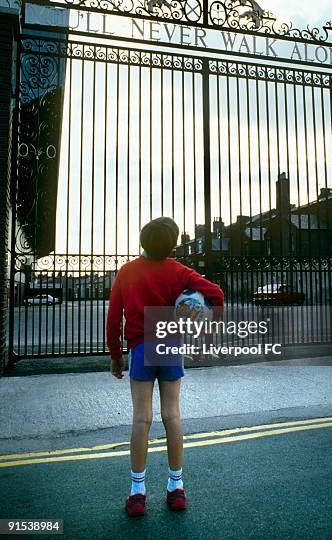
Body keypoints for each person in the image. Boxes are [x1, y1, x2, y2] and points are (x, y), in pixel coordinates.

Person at [106, 217, 224, 517]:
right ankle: (176, 488)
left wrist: (116, 356)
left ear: (143, 239)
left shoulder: (127, 272)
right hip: (170, 347)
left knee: (141, 419)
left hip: (141, 348)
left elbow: (113, 319)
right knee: (172, 415)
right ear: (172, 244)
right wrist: (209, 330)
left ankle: (137, 492)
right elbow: (217, 294)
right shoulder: (178, 270)